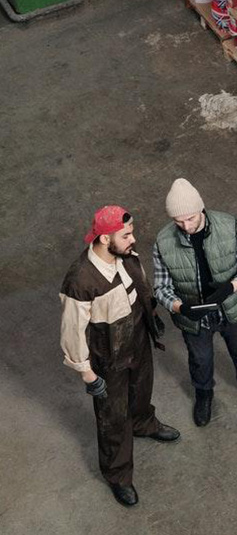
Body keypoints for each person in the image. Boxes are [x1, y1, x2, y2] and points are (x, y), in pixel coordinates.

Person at [60, 205, 180, 507]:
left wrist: (151, 314)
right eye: (126, 234)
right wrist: (87, 374)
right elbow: (72, 332)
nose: (133, 238)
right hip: (108, 356)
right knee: (113, 417)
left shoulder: (126, 254)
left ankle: (143, 424)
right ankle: (118, 475)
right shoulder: (81, 280)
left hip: (138, 339)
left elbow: (139, 286)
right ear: (103, 239)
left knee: (141, 391)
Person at [152, 178, 237, 427]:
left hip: (232, 307)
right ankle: (204, 395)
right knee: (200, 359)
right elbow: (161, 287)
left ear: (201, 209)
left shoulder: (228, 225)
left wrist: (231, 286)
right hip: (193, 316)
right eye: (178, 221)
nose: (185, 226)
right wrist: (179, 307)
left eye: (191, 218)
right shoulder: (163, 242)